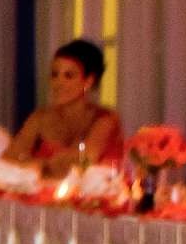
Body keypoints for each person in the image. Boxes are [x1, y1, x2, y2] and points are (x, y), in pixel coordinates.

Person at [8, 37, 122, 176]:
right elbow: (9, 161)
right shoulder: (40, 117)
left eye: (68, 76)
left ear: (88, 81)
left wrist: (35, 164)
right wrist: (46, 166)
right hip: (43, 194)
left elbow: (81, 164)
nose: (58, 83)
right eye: (54, 74)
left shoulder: (105, 119)